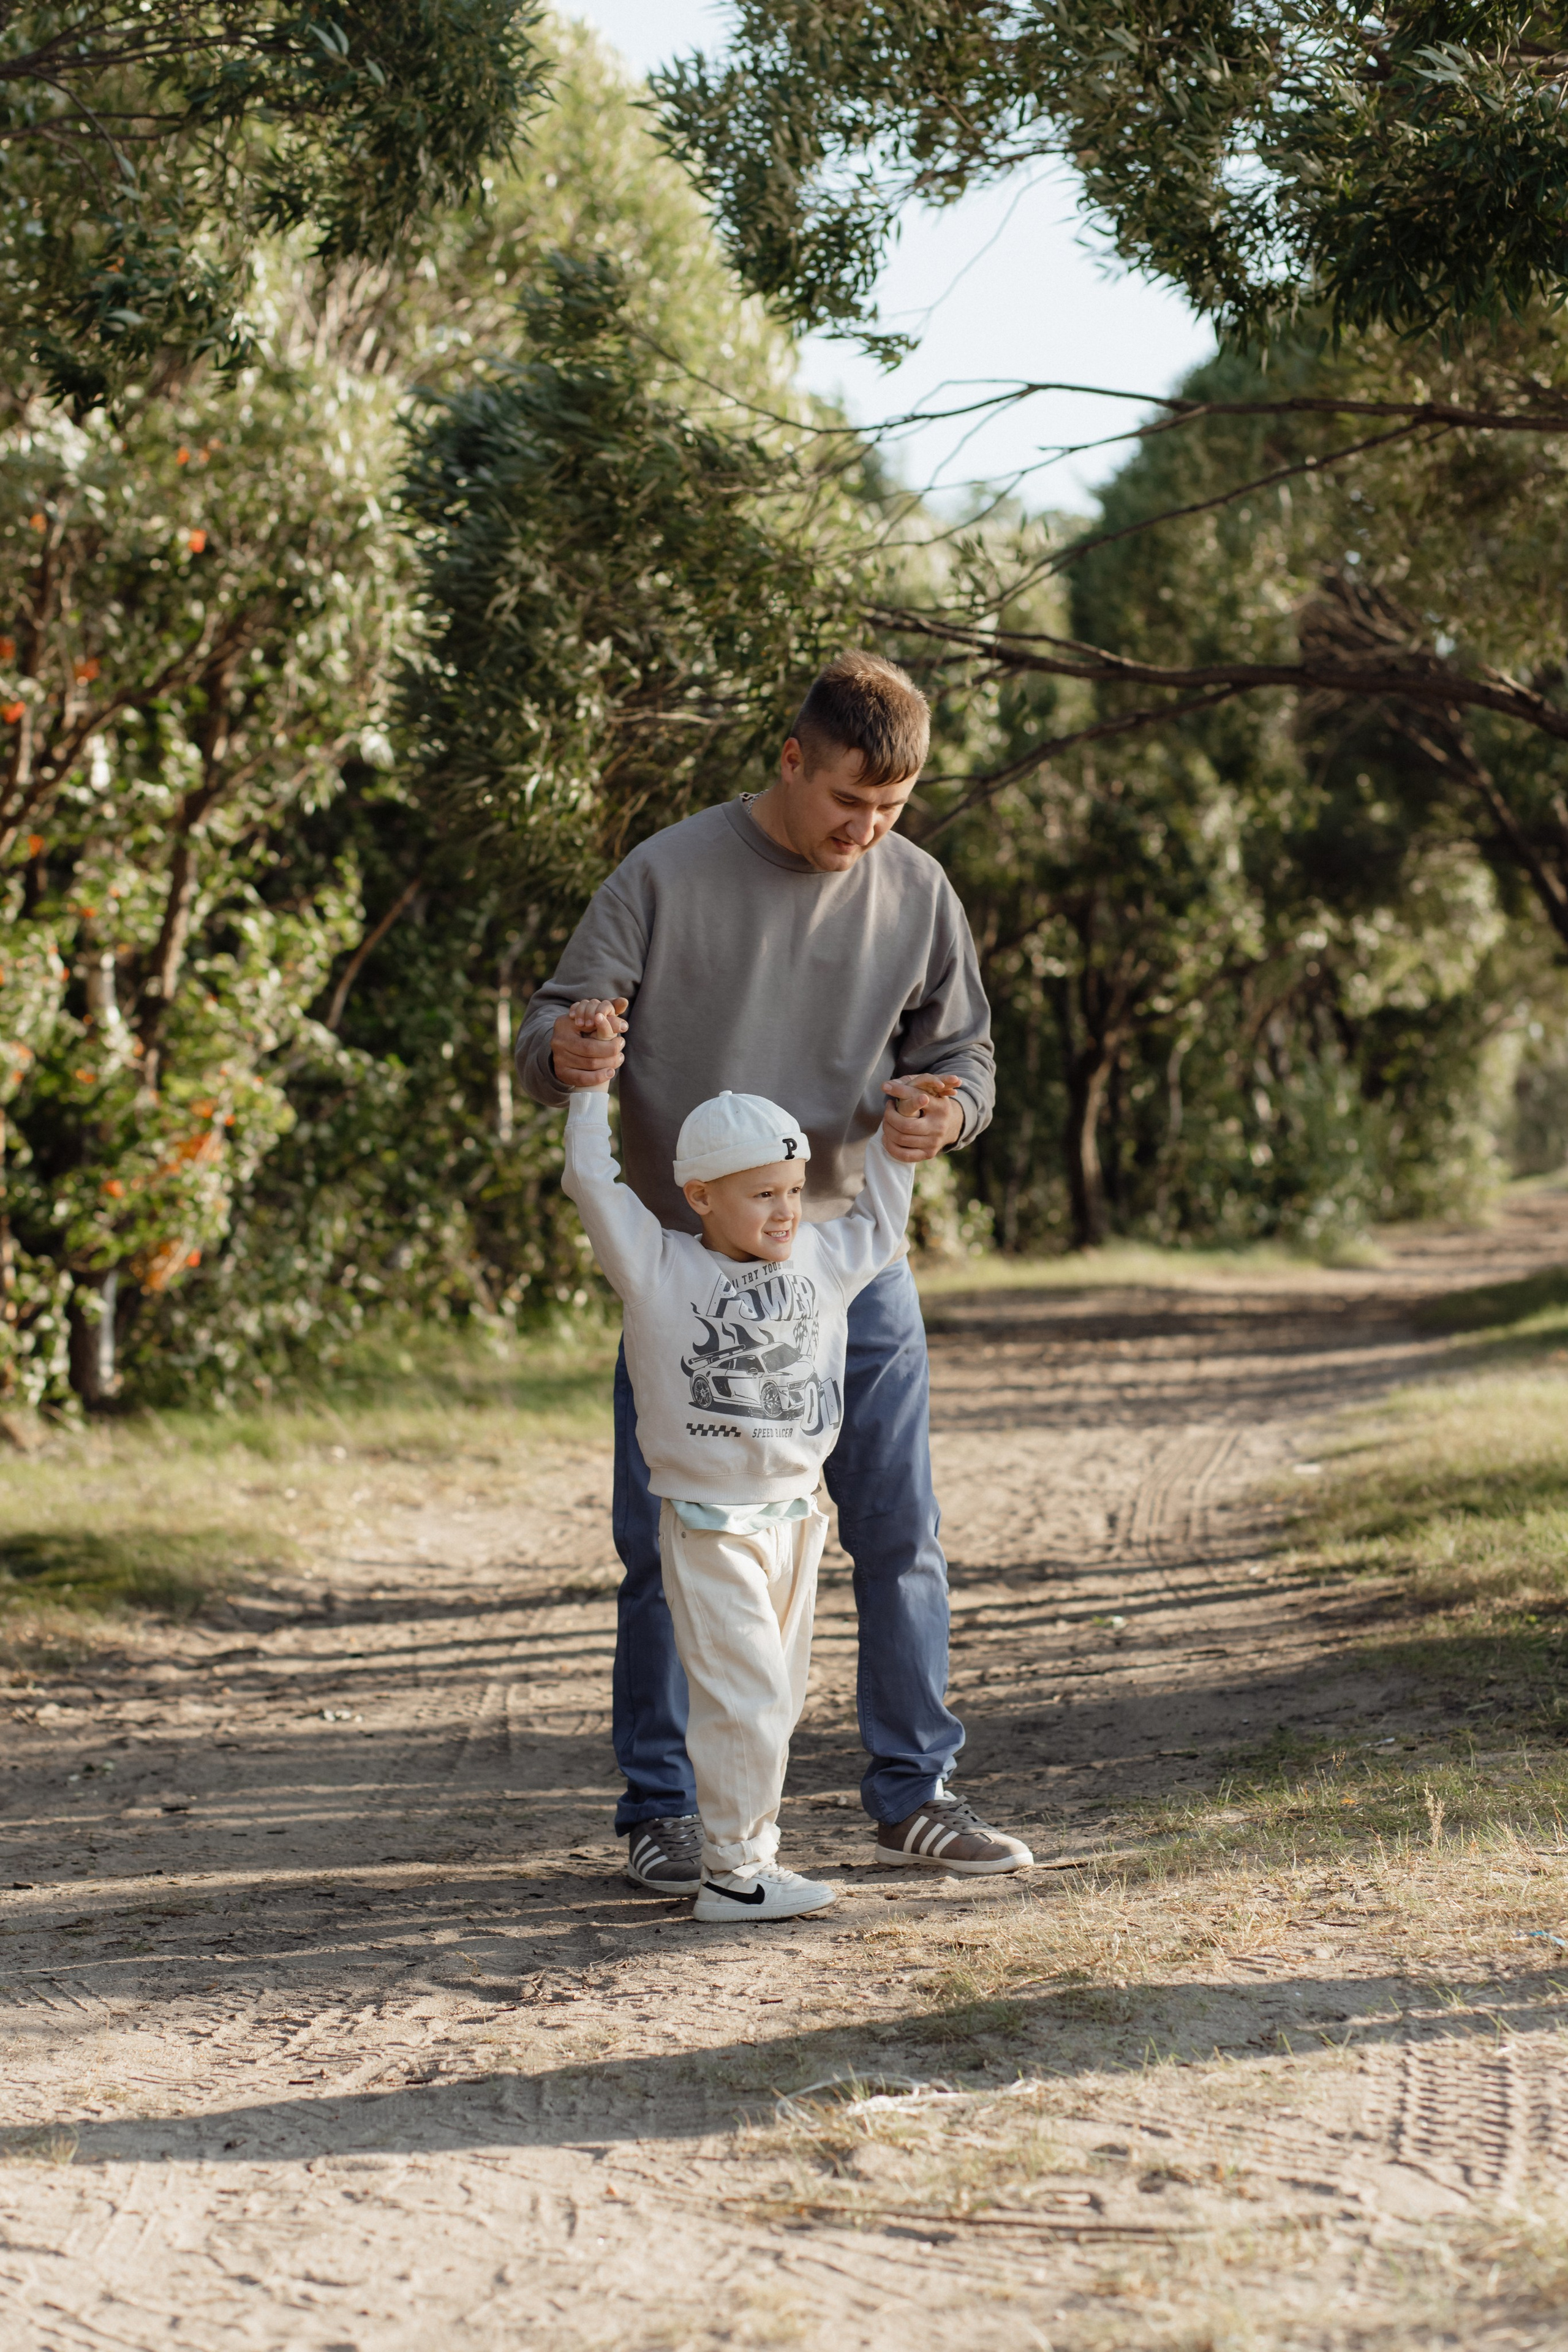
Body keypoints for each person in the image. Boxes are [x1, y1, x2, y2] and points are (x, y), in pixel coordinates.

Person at [518, 650, 1033, 1887]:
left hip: (846, 1262)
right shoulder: (663, 873)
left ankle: (914, 1792)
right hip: (688, 1274)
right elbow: (552, 1029)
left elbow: (965, 1060)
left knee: (897, 1530)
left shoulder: (915, 892)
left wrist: (941, 1113)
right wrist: (576, 1049)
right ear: (790, 759)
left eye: (891, 809)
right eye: (848, 799)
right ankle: (663, 1811)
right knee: (667, 1542)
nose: (867, 828)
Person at [562, 1019, 932, 1919]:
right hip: (710, 1522)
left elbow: (881, 1217)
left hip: (798, 1519)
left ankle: (753, 1857)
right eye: (761, 1193)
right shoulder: (655, 1267)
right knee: (749, 1697)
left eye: (794, 1190)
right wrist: (588, 1089)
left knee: (781, 1701)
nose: (784, 1211)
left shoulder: (824, 1259)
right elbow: (590, 1179)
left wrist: (901, 1138)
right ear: (699, 1196)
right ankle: (733, 1872)